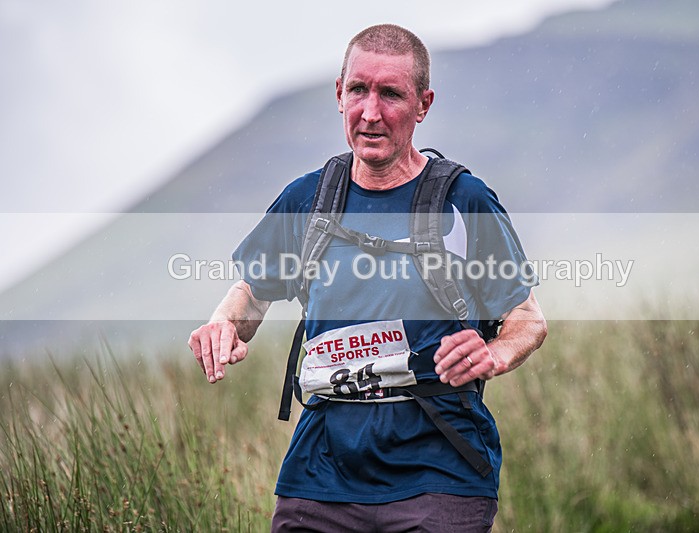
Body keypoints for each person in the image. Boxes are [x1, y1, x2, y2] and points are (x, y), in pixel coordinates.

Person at [188, 24, 547, 532]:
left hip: (440, 466)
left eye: (391, 94)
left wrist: (496, 354)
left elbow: (527, 318)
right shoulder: (306, 201)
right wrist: (224, 325)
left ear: (423, 105)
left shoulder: (464, 201)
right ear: (339, 94)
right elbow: (252, 293)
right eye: (358, 90)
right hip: (321, 468)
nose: (371, 112)